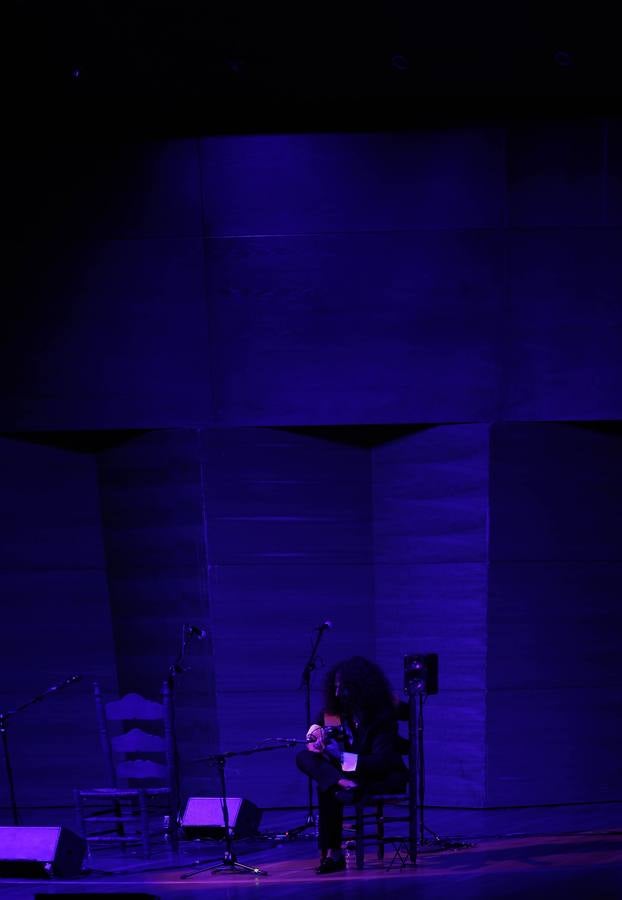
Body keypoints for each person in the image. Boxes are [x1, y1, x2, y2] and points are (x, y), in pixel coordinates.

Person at [296, 655, 408, 874]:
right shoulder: (337, 712)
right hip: (348, 777)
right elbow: (318, 727)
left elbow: (381, 762)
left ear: (361, 689)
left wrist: (340, 757)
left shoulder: (381, 718)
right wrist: (315, 735)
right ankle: (339, 782)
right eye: (336, 687)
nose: (338, 693)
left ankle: (333, 854)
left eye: (344, 688)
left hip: (377, 776)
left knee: (327, 787)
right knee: (304, 757)